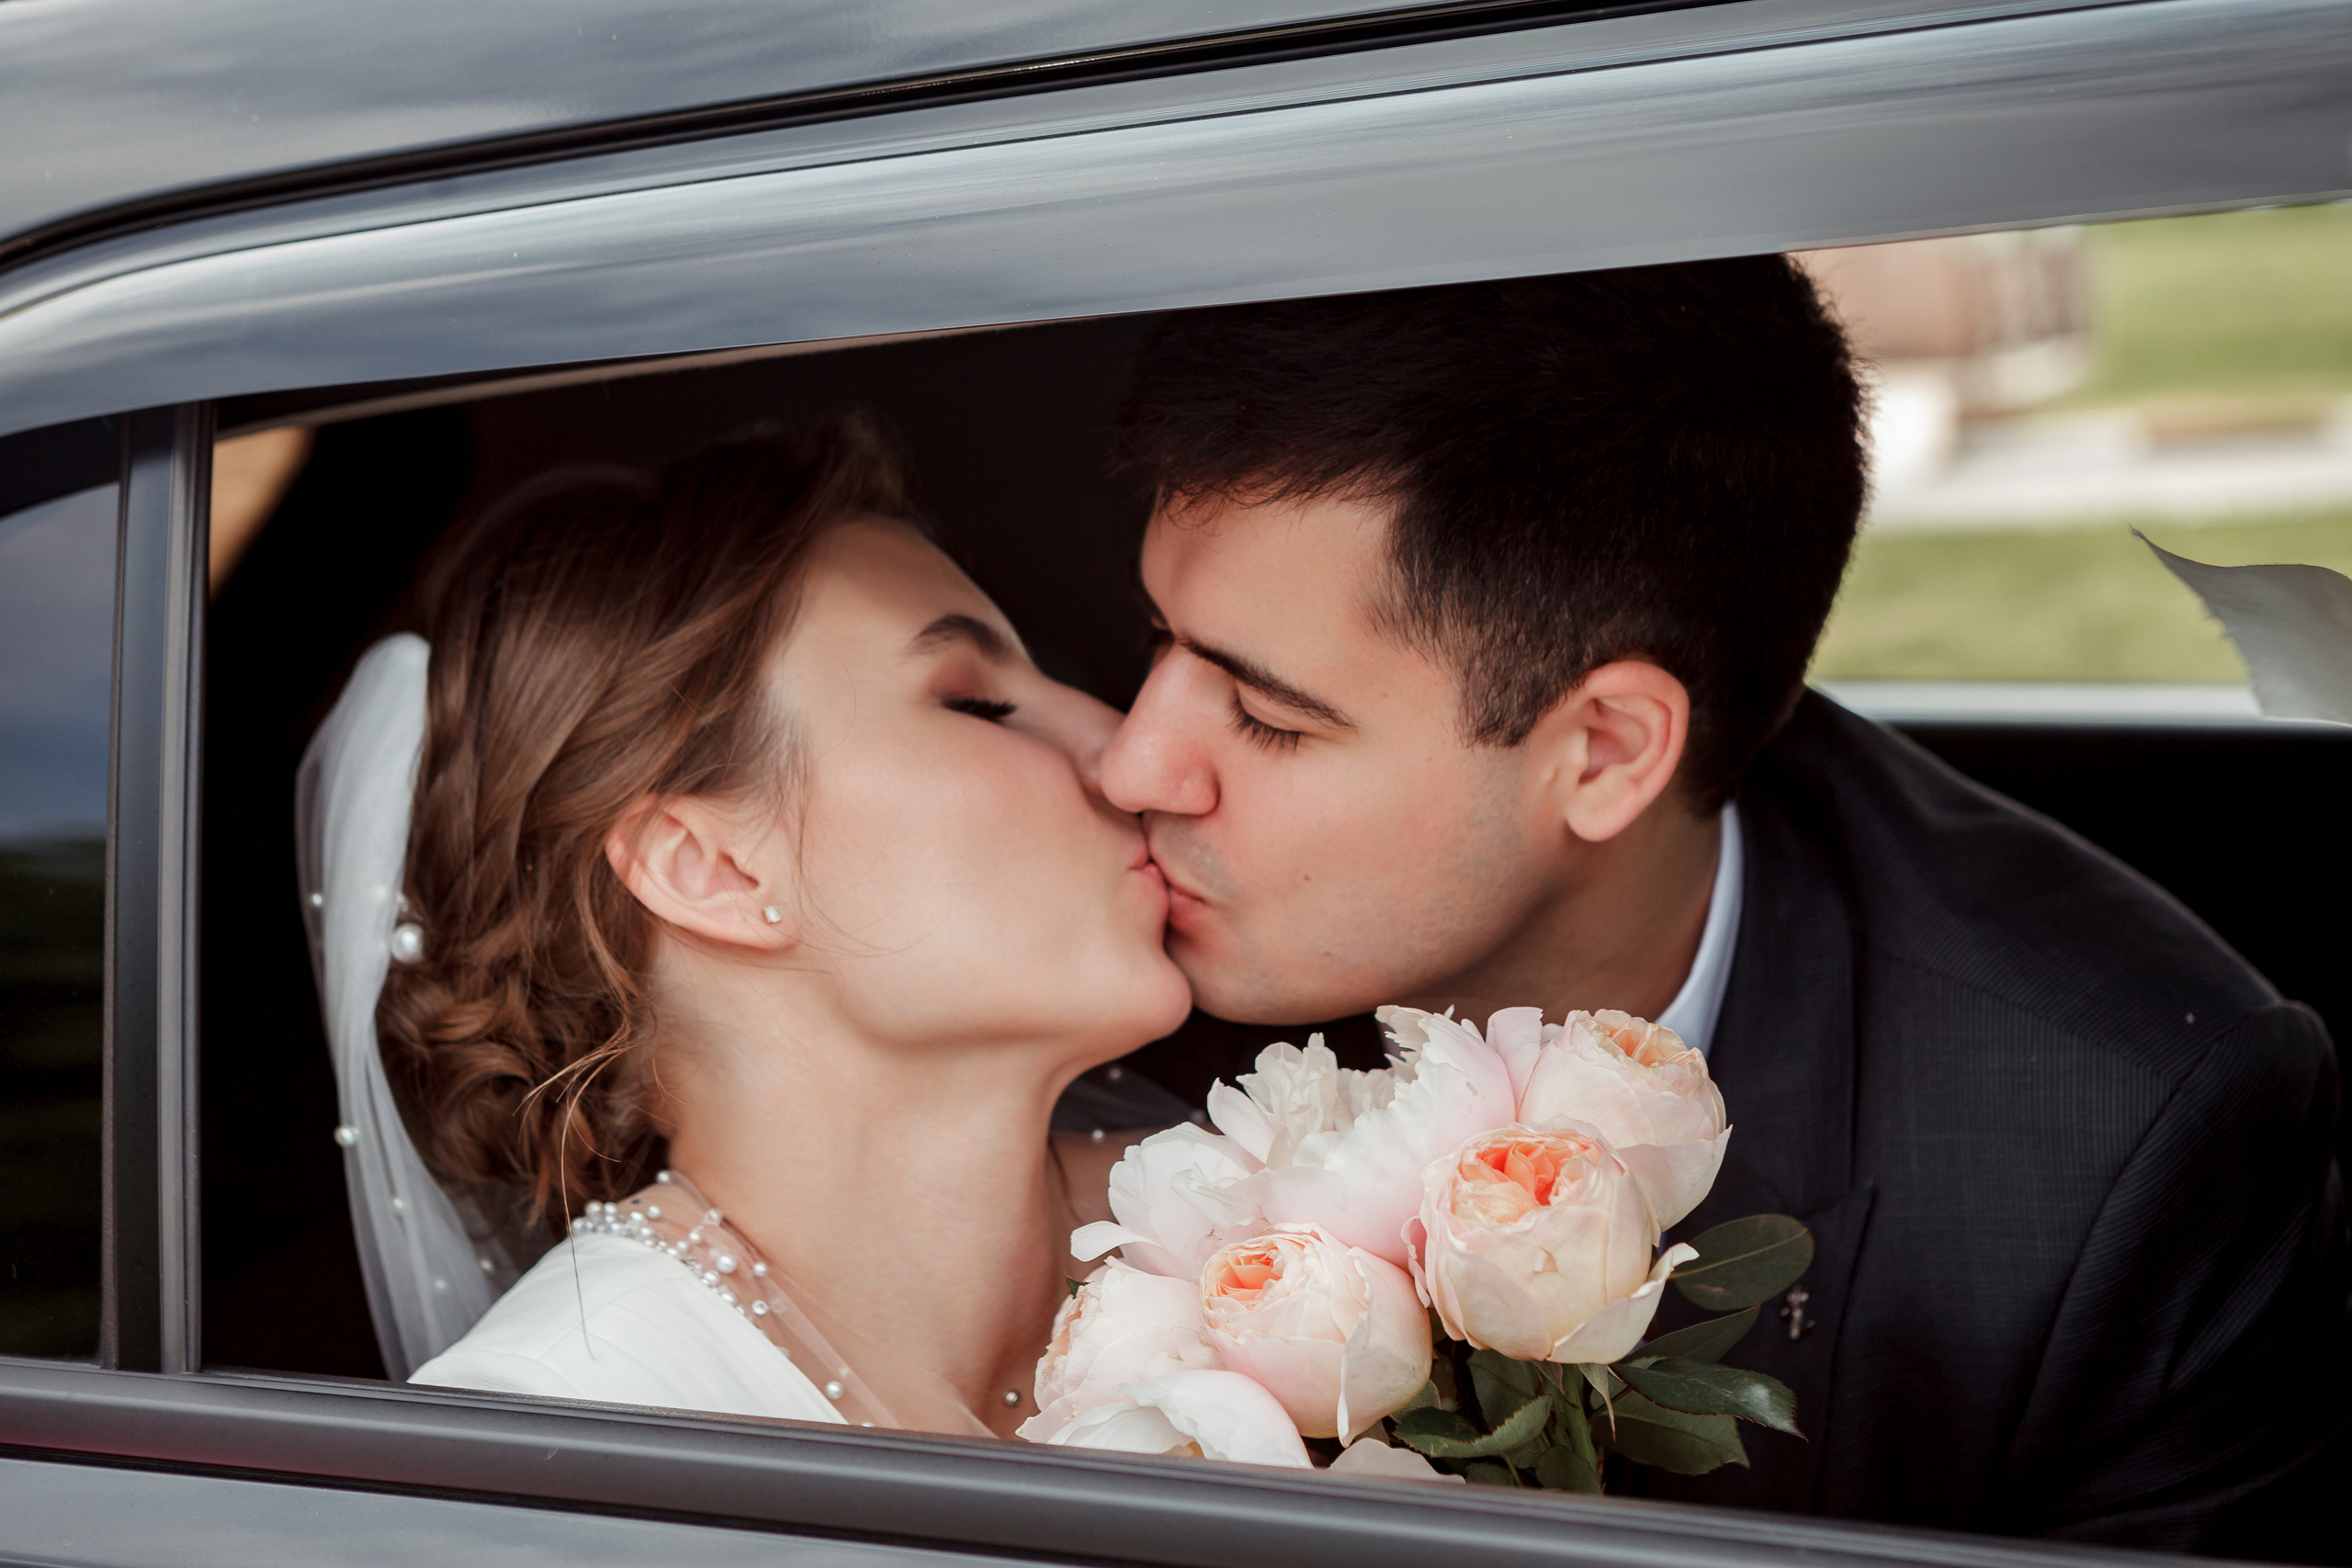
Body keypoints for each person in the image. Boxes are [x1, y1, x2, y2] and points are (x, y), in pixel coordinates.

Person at [1098, 262, 2349, 1550]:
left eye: (1266, 716)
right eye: (1152, 638)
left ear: (1605, 752)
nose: (1129, 764)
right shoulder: (1087, 958)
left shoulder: (2112, 1133)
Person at [307, 424, 1193, 1436]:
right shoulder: (566, 1440)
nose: (1126, 749)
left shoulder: (1306, 1226)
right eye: (978, 702)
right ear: (711, 868)